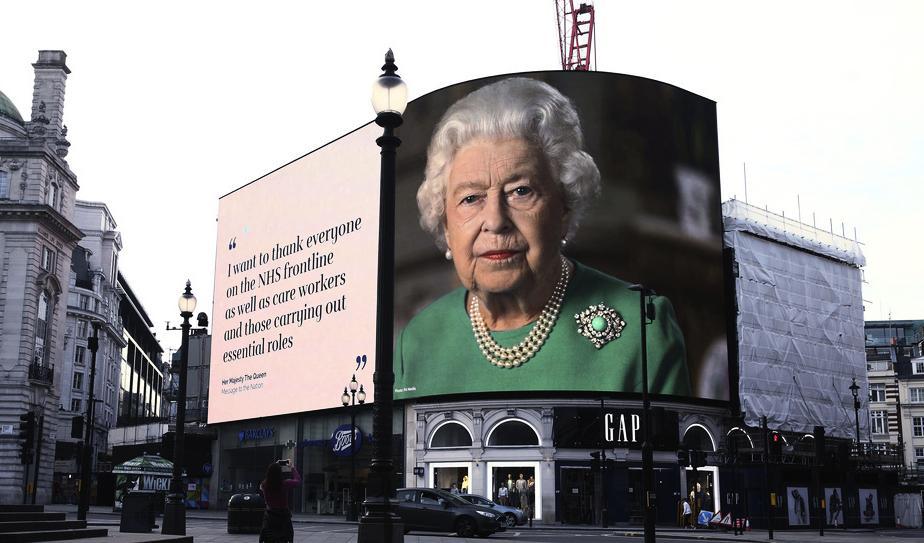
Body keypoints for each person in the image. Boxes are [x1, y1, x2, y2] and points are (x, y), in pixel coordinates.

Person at [393, 77, 689, 399]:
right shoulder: (418, 341)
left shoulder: (642, 328)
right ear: (446, 226)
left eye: (521, 191)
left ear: (564, 206)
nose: (495, 221)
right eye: (471, 198)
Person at [259, 459, 301, 543]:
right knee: (288, 534)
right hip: (283, 516)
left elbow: (264, 483)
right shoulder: (284, 484)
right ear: (280, 473)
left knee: (265, 534)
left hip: (270, 516)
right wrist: (292, 468)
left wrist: (275, 465)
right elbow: (298, 481)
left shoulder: (264, 485)